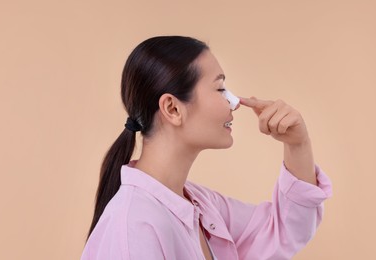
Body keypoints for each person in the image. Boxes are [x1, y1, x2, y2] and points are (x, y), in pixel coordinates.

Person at [81, 36, 332, 260]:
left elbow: (283, 230)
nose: (233, 104)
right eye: (220, 88)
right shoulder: (133, 228)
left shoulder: (200, 205)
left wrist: (298, 144)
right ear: (173, 109)